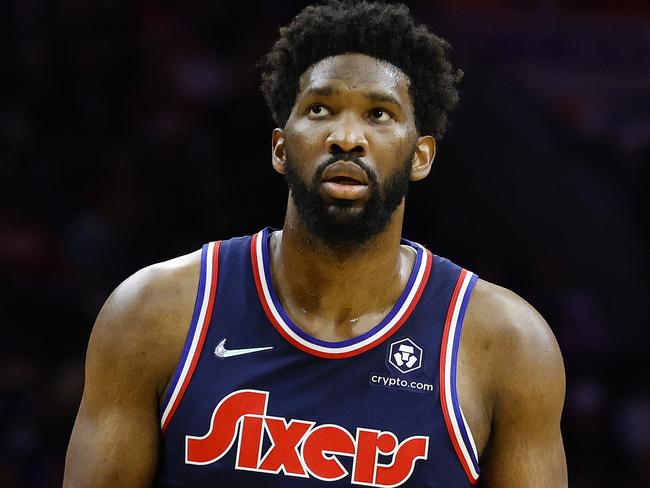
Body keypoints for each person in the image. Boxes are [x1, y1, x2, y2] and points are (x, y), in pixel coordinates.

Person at [64, 1, 567, 486]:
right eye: (321, 109)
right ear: (282, 148)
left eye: (379, 114)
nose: (346, 137)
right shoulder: (153, 313)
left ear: (421, 156)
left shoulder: (507, 345)